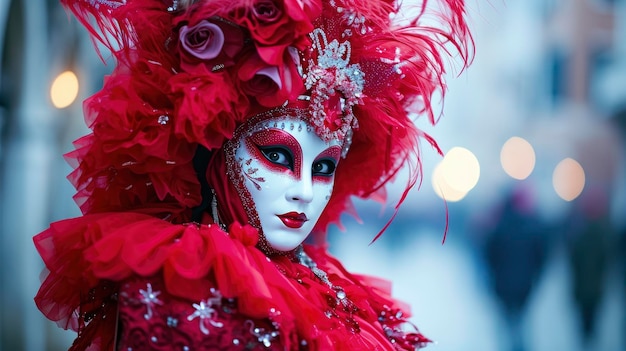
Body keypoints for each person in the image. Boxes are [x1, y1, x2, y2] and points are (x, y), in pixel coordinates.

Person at [34, 0, 472, 350]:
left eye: (323, 168)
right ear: (216, 151)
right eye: (279, 156)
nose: (303, 192)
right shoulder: (180, 281)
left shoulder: (321, 279)